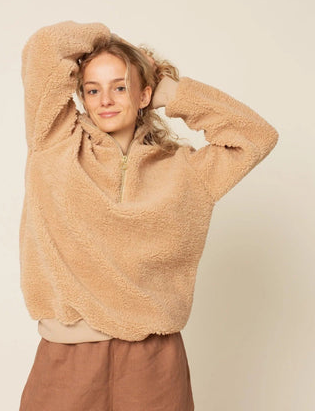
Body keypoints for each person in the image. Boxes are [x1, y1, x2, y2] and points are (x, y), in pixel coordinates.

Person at [18, 20, 279, 411]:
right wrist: (116, 44)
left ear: (144, 95)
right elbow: (45, 46)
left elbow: (256, 137)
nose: (105, 100)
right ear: (82, 97)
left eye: (120, 87)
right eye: (93, 89)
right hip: (68, 355)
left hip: (154, 361)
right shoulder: (54, 144)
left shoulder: (186, 172)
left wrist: (171, 91)